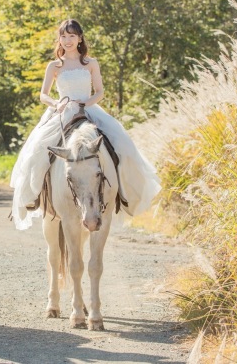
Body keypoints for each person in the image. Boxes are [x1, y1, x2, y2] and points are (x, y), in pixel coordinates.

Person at [10, 18, 161, 230]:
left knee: (122, 146)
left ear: (80, 38)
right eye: (63, 36)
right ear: (59, 39)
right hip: (62, 110)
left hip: (88, 108)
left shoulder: (90, 63)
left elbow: (100, 92)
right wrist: (55, 103)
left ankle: (124, 195)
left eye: (72, 36)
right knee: (37, 149)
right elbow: (43, 95)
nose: (67, 40)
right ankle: (34, 197)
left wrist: (86, 103)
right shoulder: (54, 65)